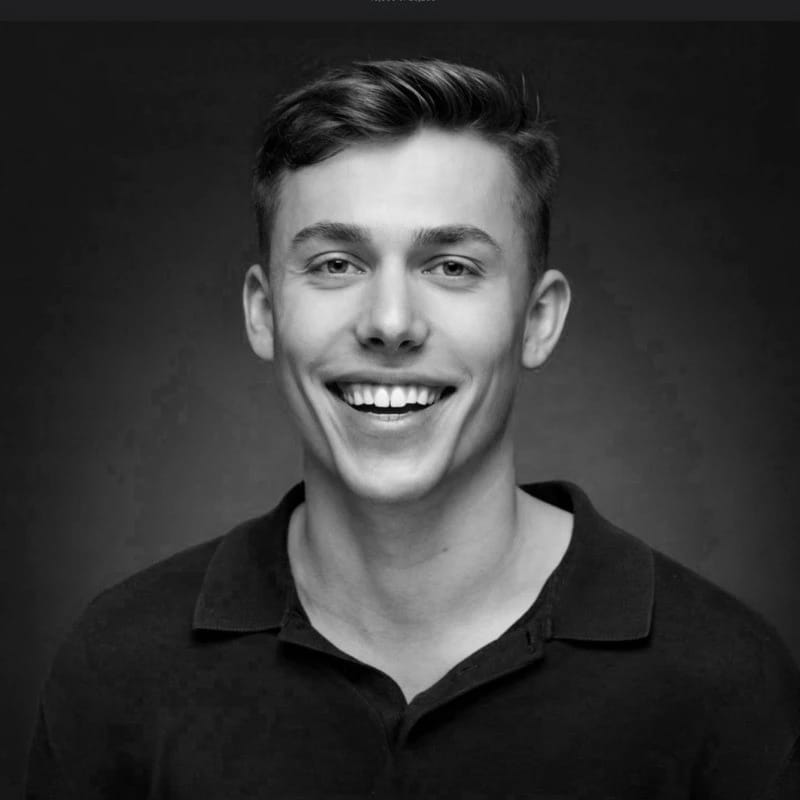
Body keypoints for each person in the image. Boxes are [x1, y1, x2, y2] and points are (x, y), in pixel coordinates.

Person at [27, 59, 799, 799]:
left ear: (537, 320)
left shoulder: (727, 682)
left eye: (452, 267)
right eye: (335, 263)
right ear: (264, 313)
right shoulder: (119, 663)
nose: (390, 323)